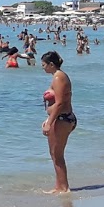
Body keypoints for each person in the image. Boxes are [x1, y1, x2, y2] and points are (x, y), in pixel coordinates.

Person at [40, 51, 76, 194]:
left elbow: (60, 103)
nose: (42, 68)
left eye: (44, 65)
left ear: (51, 64)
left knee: (57, 154)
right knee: (54, 154)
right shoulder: (57, 76)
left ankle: (64, 188)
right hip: (60, 118)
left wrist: (50, 122)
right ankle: (59, 186)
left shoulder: (58, 77)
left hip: (62, 119)